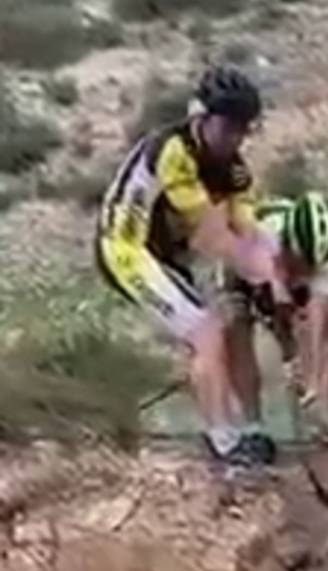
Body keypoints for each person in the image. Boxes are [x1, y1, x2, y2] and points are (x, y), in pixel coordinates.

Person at [95, 64, 289, 467]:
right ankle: (223, 444)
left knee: (211, 330)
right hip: (125, 248)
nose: (234, 138)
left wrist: (275, 280)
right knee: (206, 331)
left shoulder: (234, 169)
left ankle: (230, 428)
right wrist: (264, 278)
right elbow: (212, 236)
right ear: (201, 116)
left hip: (164, 254)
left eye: (243, 128)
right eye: (227, 127)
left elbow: (246, 229)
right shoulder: (172, 151)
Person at [221, 189, 328, 441]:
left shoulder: (322, 260)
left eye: (312, 267)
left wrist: (313, 380)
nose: (308, 270)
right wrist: (289, 355)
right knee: (235, 323)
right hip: (243, 264)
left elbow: (317, 316)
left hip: (281, 273)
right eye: (303, 263)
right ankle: (252, 423)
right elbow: (276, 307)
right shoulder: (264, 237)